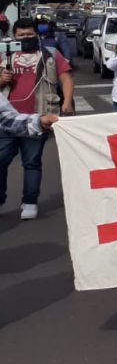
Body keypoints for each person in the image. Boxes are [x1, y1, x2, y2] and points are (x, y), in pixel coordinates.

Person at [0, 18, 74, 220]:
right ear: (14, 36)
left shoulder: (50, 54)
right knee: (1, 160)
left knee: (32, 162)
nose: (26, 38)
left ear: (37, 34)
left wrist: (66, 102)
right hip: (6, 120)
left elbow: (65, 78)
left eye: (30, 34)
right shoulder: (4, 54)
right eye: (21, 35)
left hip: (38, 117)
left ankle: (30, 202)